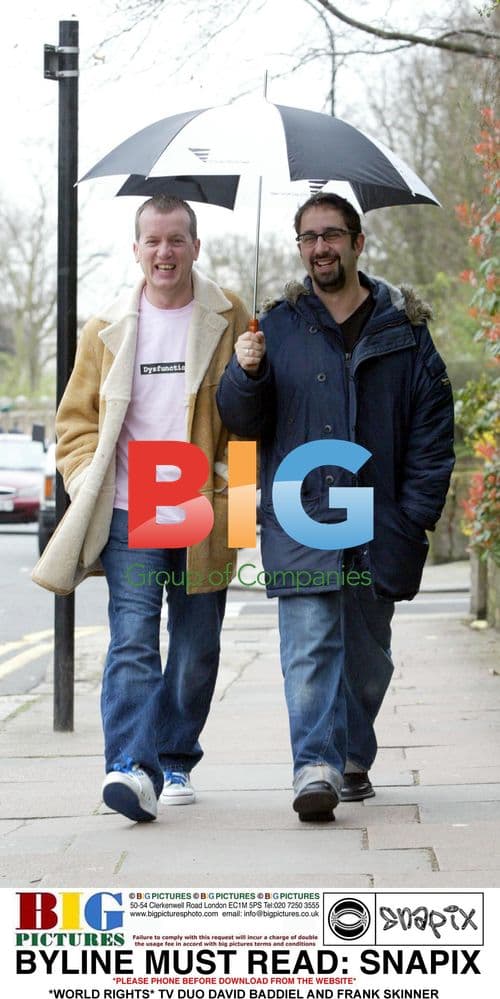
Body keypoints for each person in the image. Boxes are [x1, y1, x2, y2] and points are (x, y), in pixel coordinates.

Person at [216, 192, 455, 823]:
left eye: (331, 235)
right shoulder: (274, 327)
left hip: (379, 517)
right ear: (300, 248)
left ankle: (351, 756)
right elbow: (241, 424)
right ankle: (314, 767)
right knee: (310, 644)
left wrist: (415, 514)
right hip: (302, 512)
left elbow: (433, 427)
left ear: (357, 243)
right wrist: (246, 375)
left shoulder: (405, 330)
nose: (320, 248)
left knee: (368, 657)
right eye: (309, 238)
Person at [32, 194, 250, 823]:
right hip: (133, 505)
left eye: (176, 239)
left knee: (197, 643)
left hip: (206, 501)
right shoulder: (106, 328)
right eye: (152, 241)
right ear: (136, 250)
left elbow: (251, 426)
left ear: (196, 246)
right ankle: (130, 766)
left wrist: (255, 375)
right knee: (132, 637)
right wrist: (88, 483)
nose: (164, 252)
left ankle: (175, 757)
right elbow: (74, 424)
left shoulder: (232, 316)